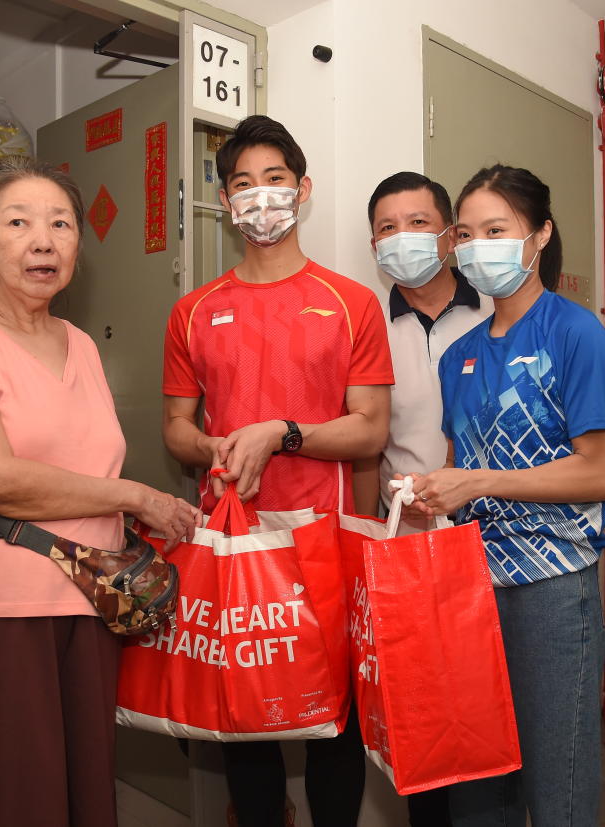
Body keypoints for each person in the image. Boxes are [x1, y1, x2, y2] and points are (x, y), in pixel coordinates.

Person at [0, 155, 200, 826]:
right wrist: (134, 495)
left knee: (81, 789)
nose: (43, 239)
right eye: (18, 221)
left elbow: (79, 465)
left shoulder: (81, 344)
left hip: (87, 600)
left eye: (61, 223)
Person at [161, 115, 393, 826]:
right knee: (245, 718)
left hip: (325, 540)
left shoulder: (351, 303)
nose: (261, 197)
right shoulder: (193, 311)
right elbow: (175, 429)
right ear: (225, 201)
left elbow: (371, 428)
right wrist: (222, 447)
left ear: (304, 190)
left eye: (275, 180)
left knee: (334, 720)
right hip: (233, 541)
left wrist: (283, 435)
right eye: (242, 184)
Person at [408, 164, 605, 826]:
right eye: (465, 234)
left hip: (553, 591)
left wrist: (475, 482)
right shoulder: (459, 356)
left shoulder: (575, 333)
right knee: (479, 783)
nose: (478, 248)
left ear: (539, 236)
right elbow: (459, 463)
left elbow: (599, 472)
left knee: (558, 782)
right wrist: (434, 494)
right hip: (471, 590)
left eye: (496, 230)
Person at [355, 172, 494, 824]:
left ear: (448, 235)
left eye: (417, 222)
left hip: (498, 547)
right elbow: (363, 444)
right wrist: (380, 506)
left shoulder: (498, 310)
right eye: (386, 227)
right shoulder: (365, 330)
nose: (401, 237)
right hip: (408, 550)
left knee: (495, 712)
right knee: (425, 720)